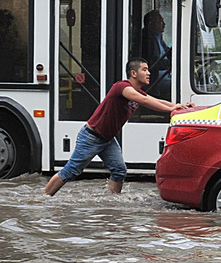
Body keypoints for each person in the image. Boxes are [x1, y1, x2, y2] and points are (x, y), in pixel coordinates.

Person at [44, 57, 193, 196]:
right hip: (91, 137)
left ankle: (111, 203)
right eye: (145, 69)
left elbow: (153, 99)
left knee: (119, 170)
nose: (149, 73)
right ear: (133, 73)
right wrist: (171, 110)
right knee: (71, 171)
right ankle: (42, 199)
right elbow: (145, 101)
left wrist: (179, 107)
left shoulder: (137, 91)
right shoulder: (122, 87)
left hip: (107, 139)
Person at [141, 10, 171, 98]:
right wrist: (171, 64)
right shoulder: (147, 38)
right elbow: (153, 62)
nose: (164, 24)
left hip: (163, 75)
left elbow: (168, 53)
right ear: (151, 23)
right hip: (154, 78)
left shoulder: (158, 36)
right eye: (161, 21)